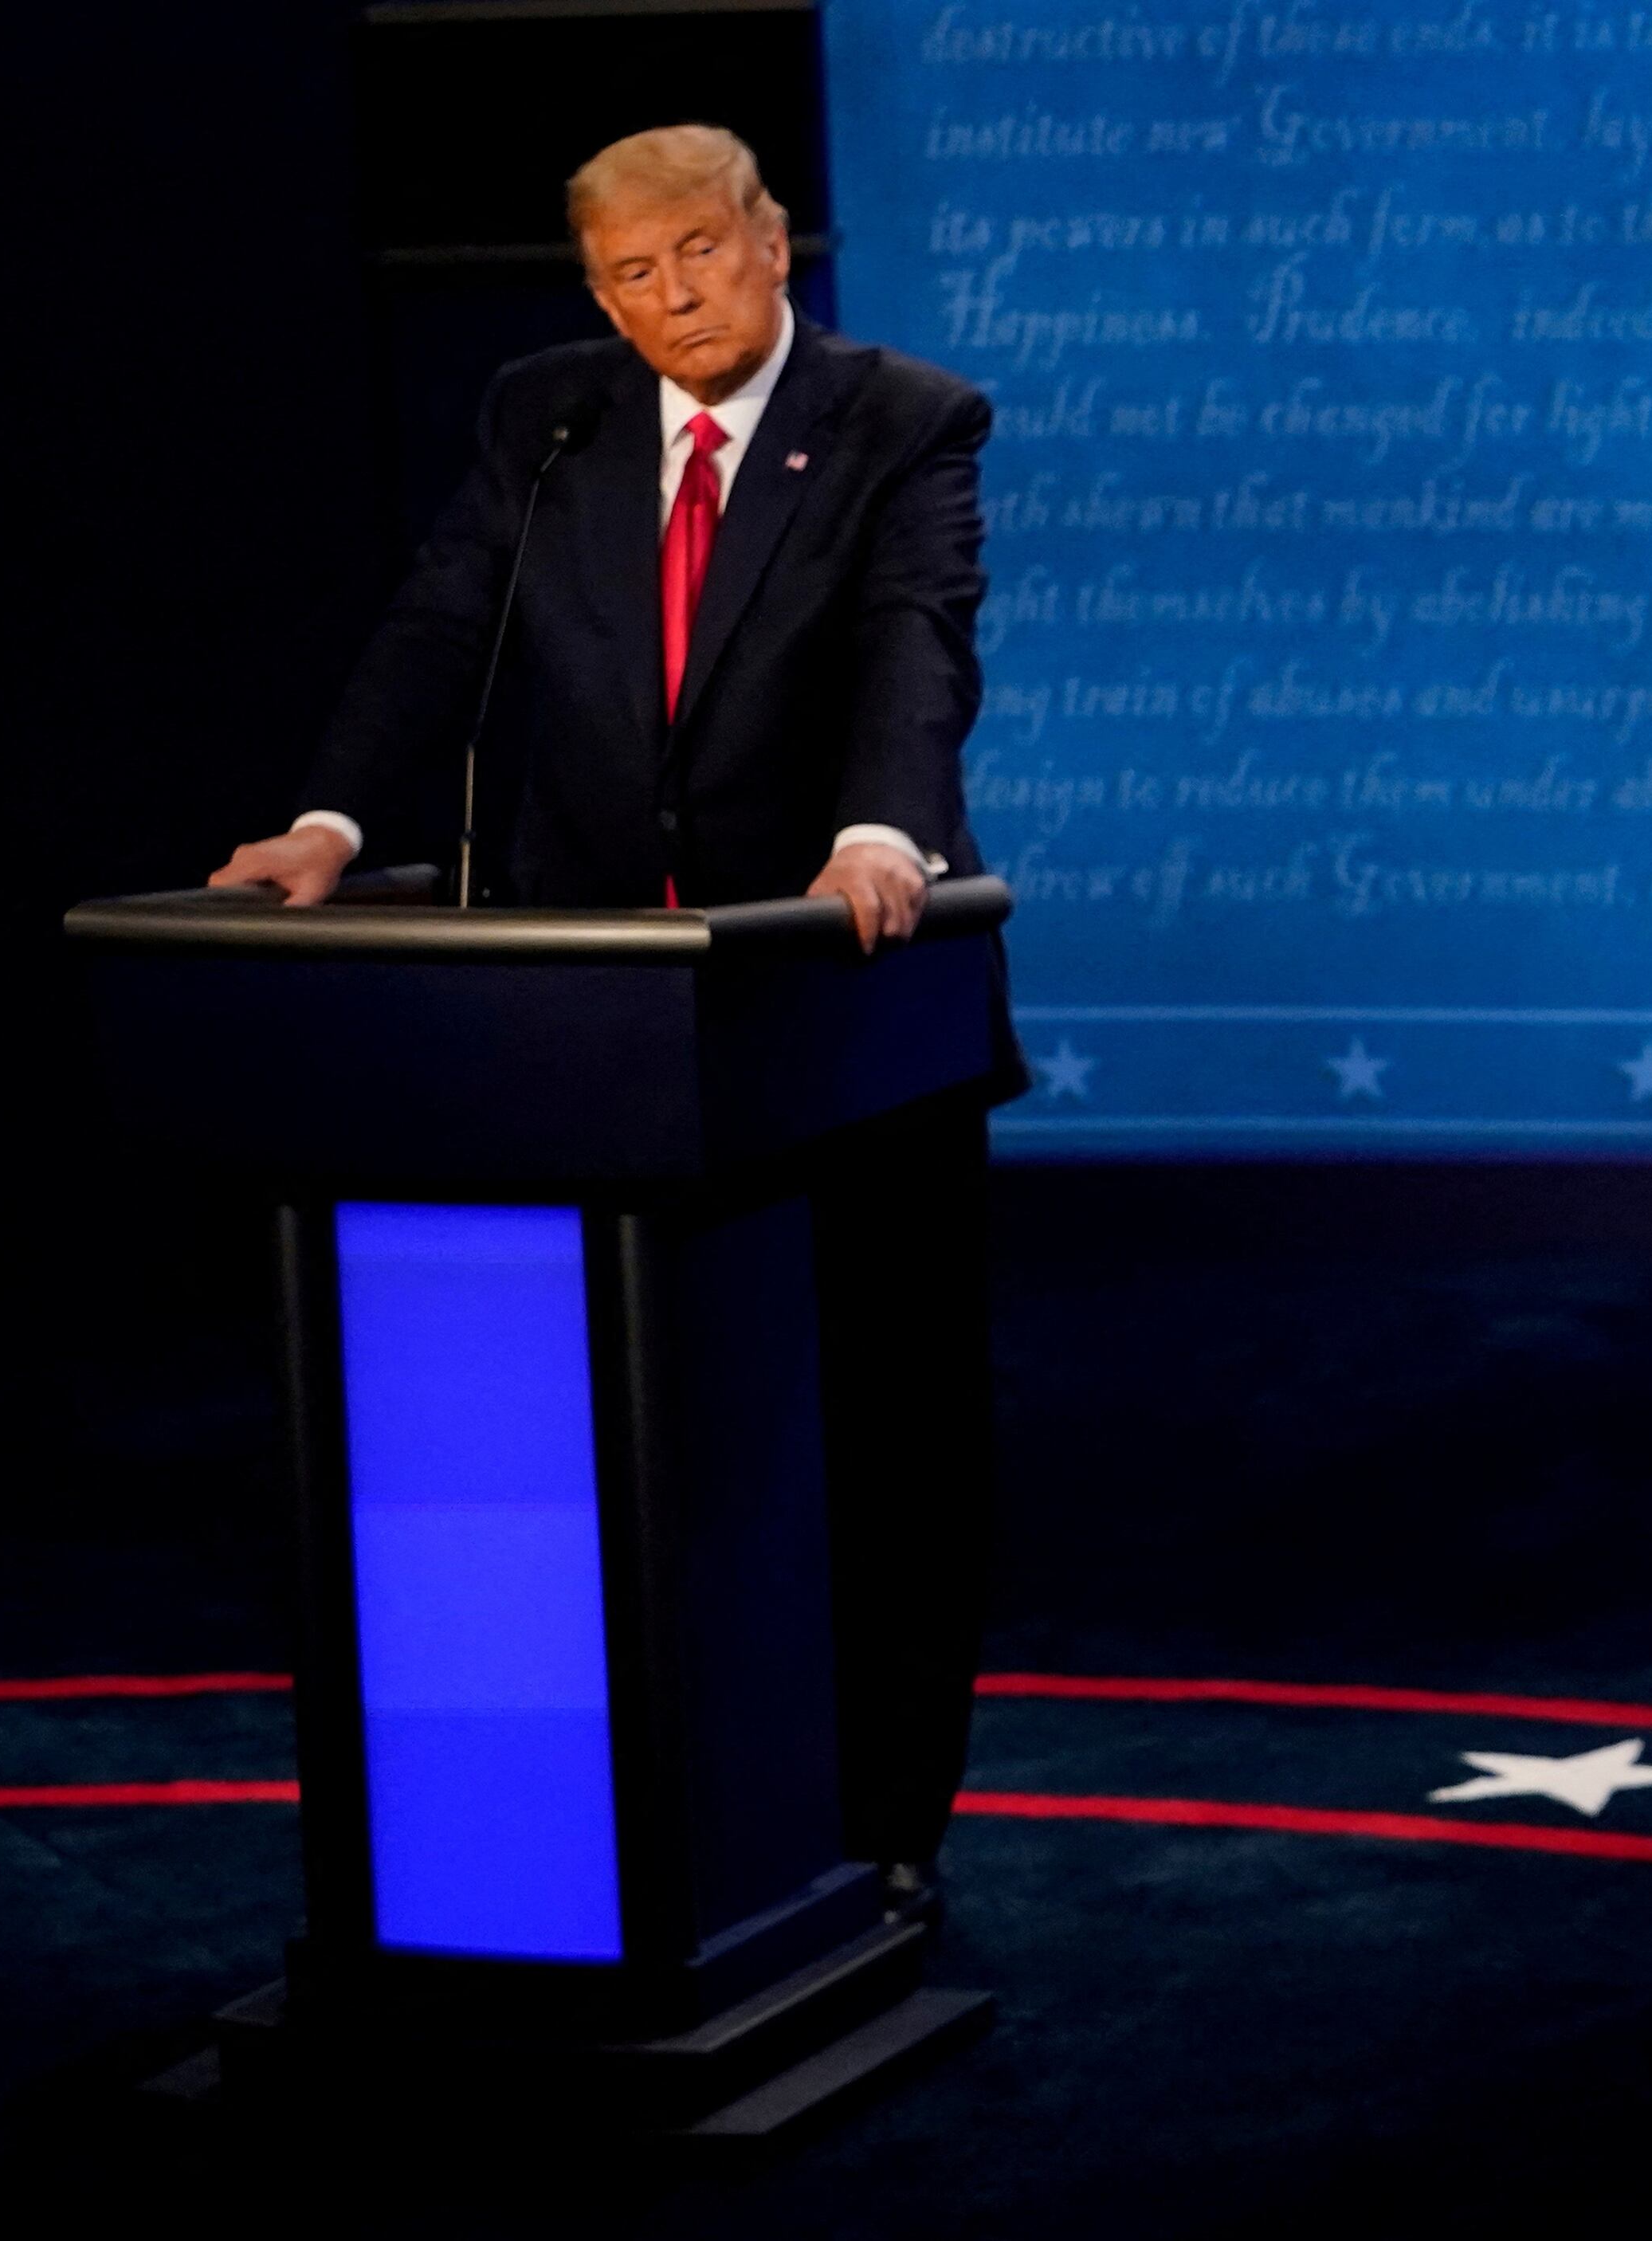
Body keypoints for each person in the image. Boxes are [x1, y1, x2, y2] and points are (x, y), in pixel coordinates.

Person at [216, 124, 1006, 1917]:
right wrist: (334, 821)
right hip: (583, 1030)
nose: (671, 301)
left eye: (698, 258)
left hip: (837, 1003)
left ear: (774, 240)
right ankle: (633, 1822)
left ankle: (885, 1820)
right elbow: (439, 626)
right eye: (629, 275)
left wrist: (882, 826)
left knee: (879, 1433)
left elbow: (915, 637)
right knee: (626, 1439)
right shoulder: (548, 417)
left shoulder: (904, 417)